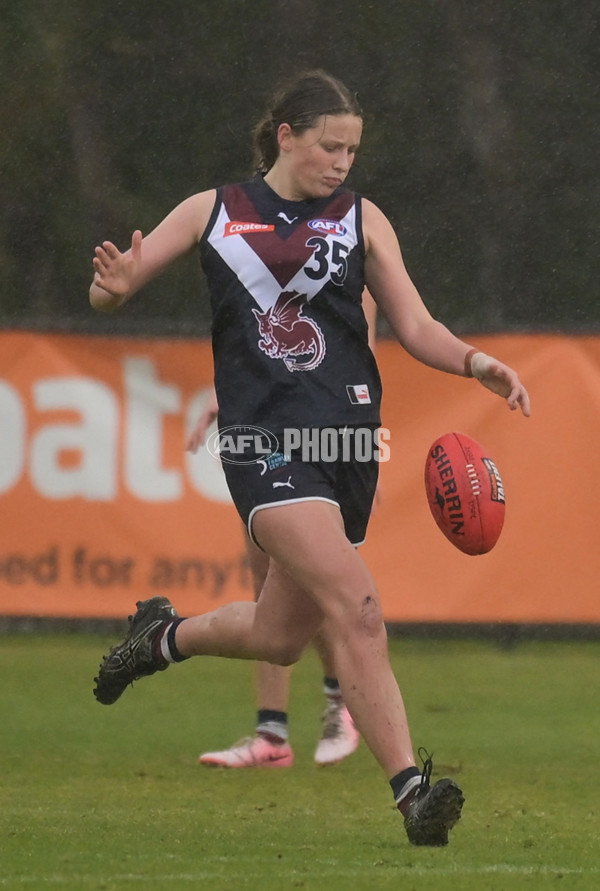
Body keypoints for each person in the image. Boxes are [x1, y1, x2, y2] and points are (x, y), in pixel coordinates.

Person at [89, 69, 530, 847]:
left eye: (352, 149)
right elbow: (118, 284)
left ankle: (159, 636)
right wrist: (114, 290)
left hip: (348, 446)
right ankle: (413, 795)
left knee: (276, 635)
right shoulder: (214, 211)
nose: (342, 162)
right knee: (357, 605)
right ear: (286, 135)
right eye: (330, 145)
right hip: (265, 445)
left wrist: (474, 362)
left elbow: (415, 324)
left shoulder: (362, 219)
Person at [188, 287, 375, 770]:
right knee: (267, 582)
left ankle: (340, 703)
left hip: (326, 426)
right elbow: (254, 338)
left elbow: (358, 342)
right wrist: (226, 394)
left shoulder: (347, 232)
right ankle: (272, 735)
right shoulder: (266, 241)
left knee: (319, 587)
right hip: (268, 417)